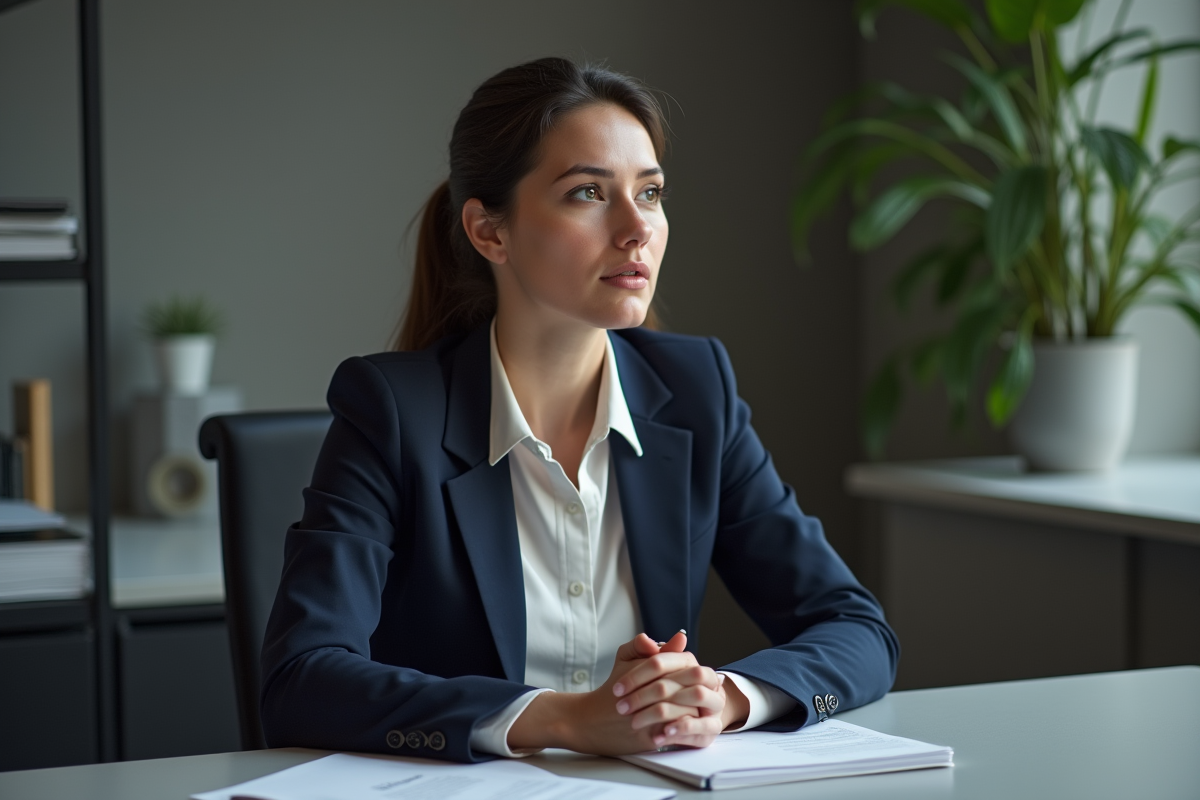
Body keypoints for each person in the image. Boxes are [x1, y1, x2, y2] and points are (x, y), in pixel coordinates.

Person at [260, 56, 899, 764]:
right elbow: (300, 681)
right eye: (588, 193)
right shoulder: (392, 411)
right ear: (489, 232)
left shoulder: (696, 392)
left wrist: (729, 698)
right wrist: (562, 720)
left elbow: (855, 628)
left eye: (650, 193)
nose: (636, 229)